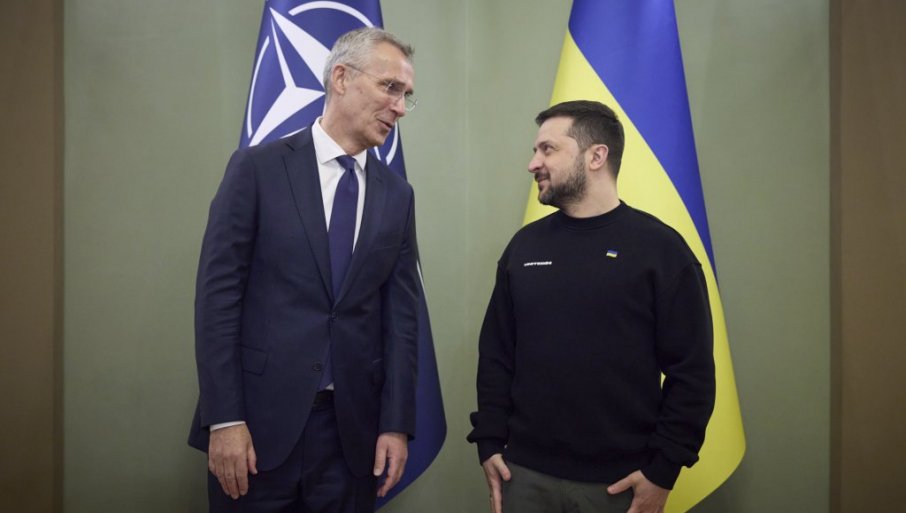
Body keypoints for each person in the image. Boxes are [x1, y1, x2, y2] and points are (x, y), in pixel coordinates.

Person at [188, 27, 421, 513]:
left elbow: (401, 318)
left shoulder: (397, 195)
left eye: (406, 95)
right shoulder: (257, 170)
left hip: (352, 440)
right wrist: (224, 419)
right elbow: (218, 301)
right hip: (255, 431)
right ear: (341, 78)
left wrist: (396, 423)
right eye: (390, 88)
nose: (399, 107)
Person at [467, 100, 716, 513]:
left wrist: (663, 470)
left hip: (619, 484)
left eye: (548, 149)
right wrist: (489, 442)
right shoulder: (524, 246)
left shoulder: (661, 251)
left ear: (596, 156)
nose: (533, 163)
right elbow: (496, 354)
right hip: (522, 474)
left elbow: (692, 374)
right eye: (535, 150)